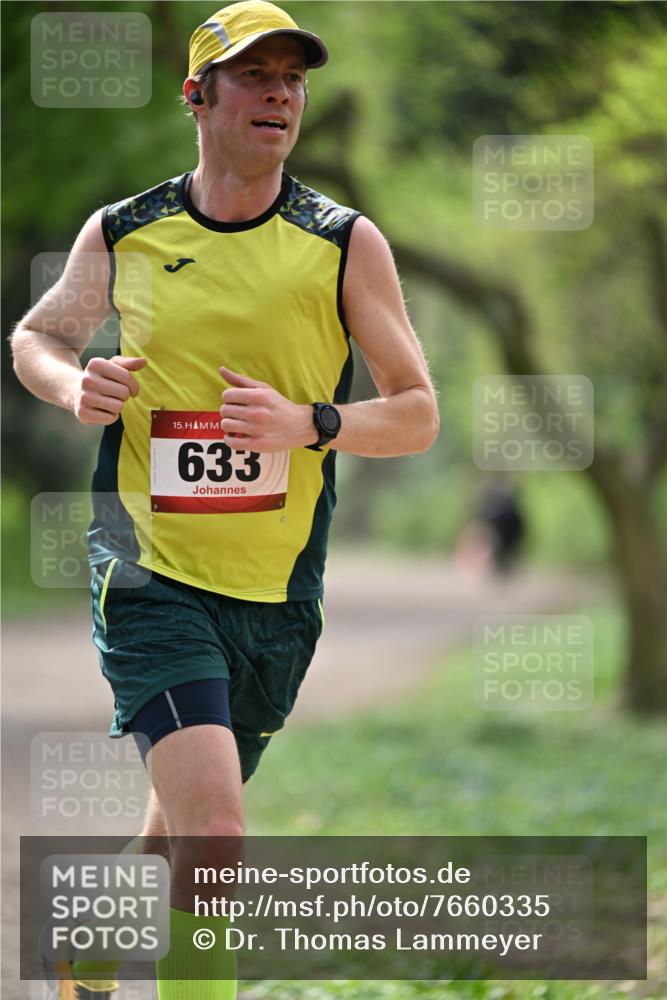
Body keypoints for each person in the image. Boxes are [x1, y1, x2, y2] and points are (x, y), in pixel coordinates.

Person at [12, 2, 439, 997]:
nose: (280, 93)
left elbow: (416, 412)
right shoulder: (128, 231)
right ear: (197, 96)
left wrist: (312, 424)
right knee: (218, 831)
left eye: (293, 78)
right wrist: (74, 383)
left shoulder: (341, 243)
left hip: (276, 590)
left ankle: (85, 934)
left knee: (186, 819)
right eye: (255, 75)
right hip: (148, 566)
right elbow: (35, 337)